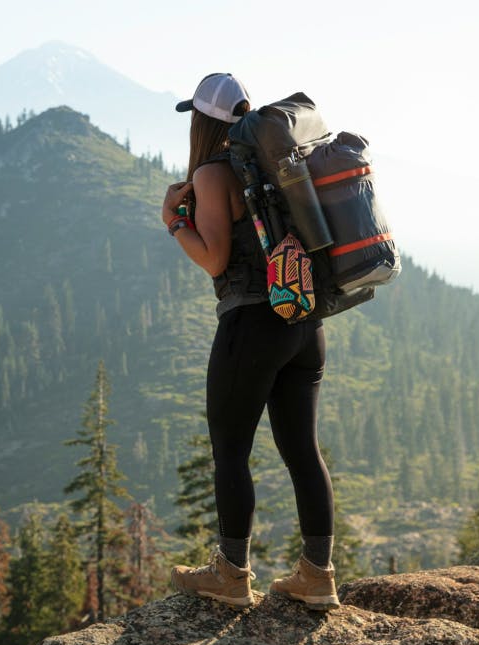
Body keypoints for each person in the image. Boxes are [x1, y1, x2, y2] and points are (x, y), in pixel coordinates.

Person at [163, 73, 340, 610]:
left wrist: (174, 223)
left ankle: (231, 574)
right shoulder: (274, 163)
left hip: (252, 324)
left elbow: (215, 258)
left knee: (231, 451)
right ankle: (318, 575)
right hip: (304, 320)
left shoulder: (213, 174)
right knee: (302, 451)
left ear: (201, 121)